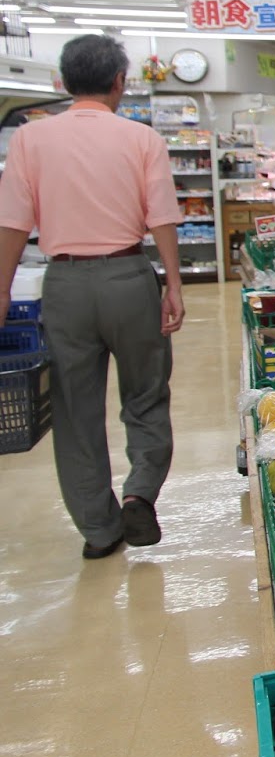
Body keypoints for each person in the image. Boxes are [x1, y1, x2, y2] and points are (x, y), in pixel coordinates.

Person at [0, 34, 185, 559]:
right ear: (120, 82)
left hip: (64, 285)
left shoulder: (30, 140)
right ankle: (139, 492)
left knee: (74, 407)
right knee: (146, 393)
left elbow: (12, 223)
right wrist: (173, 284)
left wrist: (1, 291)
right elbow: (161, 216)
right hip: (128, 277)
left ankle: (99, 531)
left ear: (63, 81)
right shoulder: (141, 138)